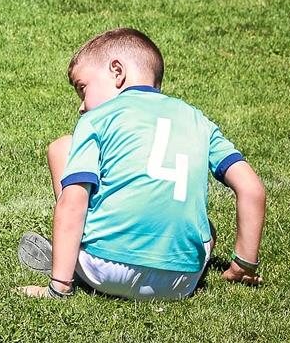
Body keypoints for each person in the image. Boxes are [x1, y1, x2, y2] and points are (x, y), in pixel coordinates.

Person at [17, 28, 267, 301]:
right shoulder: (197, 120)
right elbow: (252, 189)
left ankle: (69, 266)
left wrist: (58, 287)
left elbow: (73, 200)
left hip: (104, 270)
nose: (81, 106)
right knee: (208, 228)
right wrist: (244, 264)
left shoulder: (97, 119)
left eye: (82, 88)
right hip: (181, 281)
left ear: (117, 71)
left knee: (62, 147)